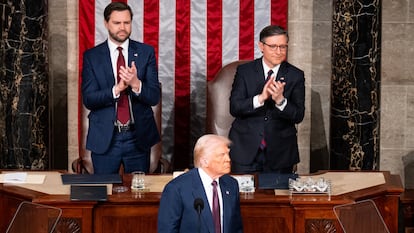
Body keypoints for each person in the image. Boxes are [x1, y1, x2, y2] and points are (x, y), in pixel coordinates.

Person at [81, 2, 160, 174]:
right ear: (106, 23)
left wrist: (136, 84)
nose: (122, 28)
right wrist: (116, 89)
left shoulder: (146, 52)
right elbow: (89, 99)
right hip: (106, 138)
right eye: (117, 23)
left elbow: (154, 96)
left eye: (127, 22)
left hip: (137, 137)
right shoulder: (92, 57)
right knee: (104, 193)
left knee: (139, 194)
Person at [228, 25, 305, 174]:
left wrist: (280, 101)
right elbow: (235, 107)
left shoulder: (295, 75)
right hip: (245, 150)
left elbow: (298, 115)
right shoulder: (245, 71)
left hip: (280, 153)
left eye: (283, 47)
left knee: (279, 197)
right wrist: (261, 98)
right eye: (273, 46)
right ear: (261, 46)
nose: (278, 52)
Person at [158, 134, 243, 233]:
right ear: (204, 161)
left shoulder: (231, 185)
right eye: (221, 155)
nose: (228, 159)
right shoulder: (176, 189)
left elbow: (236, 228)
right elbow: (167, 230)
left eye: (228, 154)